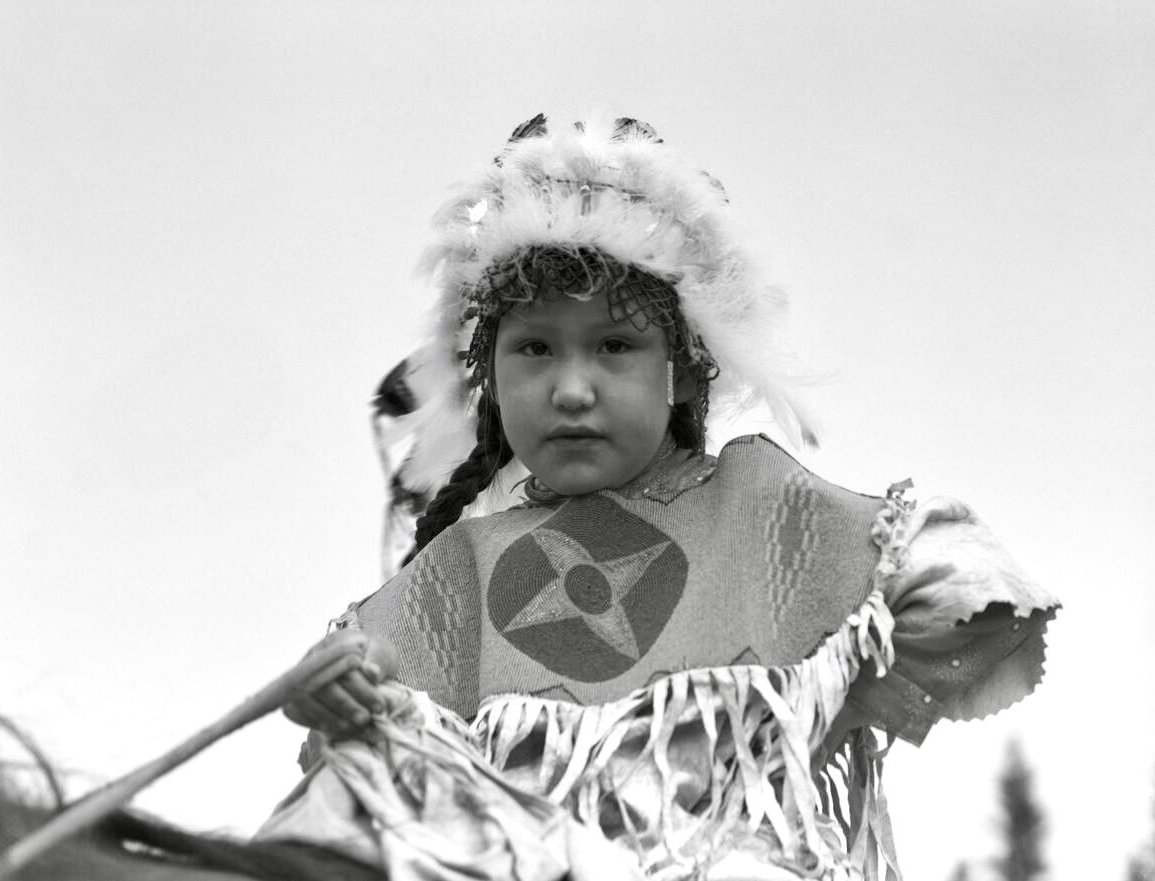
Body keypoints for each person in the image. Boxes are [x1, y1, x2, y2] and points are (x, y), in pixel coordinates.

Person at [257, 114, 1060, 881]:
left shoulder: (761, 513)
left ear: (680, 367)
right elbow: (358, 777)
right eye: (534, 347)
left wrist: (832, 689)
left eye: (615, 344)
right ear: (492, 380)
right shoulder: (455, 580)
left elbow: (960, 583)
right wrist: (349, 703)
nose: (572, 388)